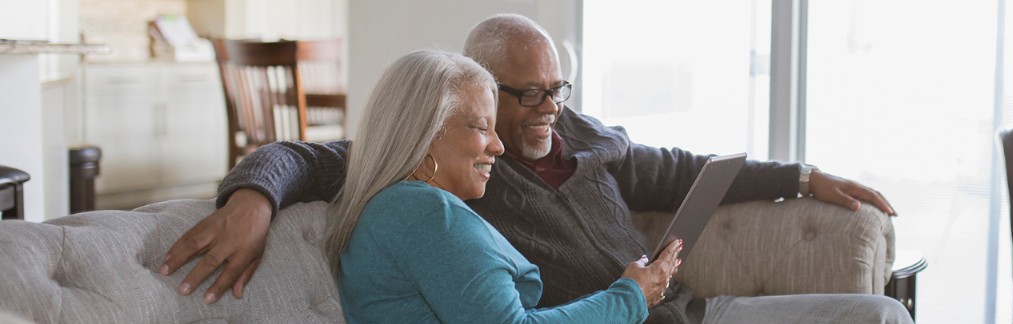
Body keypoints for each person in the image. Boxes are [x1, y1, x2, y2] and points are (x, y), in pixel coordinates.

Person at [160, 14, 912, 323]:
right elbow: (302, 155)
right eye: (527, 96)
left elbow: (679, 168)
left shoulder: (577, 135)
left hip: (689, 312)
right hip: (624, 315)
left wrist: (803, 177)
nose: (549, 109)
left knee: (880, 315)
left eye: (558, 89)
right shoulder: (443, 175)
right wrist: (253, 196)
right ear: (484, 94)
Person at [324, 49, 677, 323]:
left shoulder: (396, 208)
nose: (498, 146)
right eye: (480, 127)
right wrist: (632, 296)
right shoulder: (426, 213)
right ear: (425, 135)